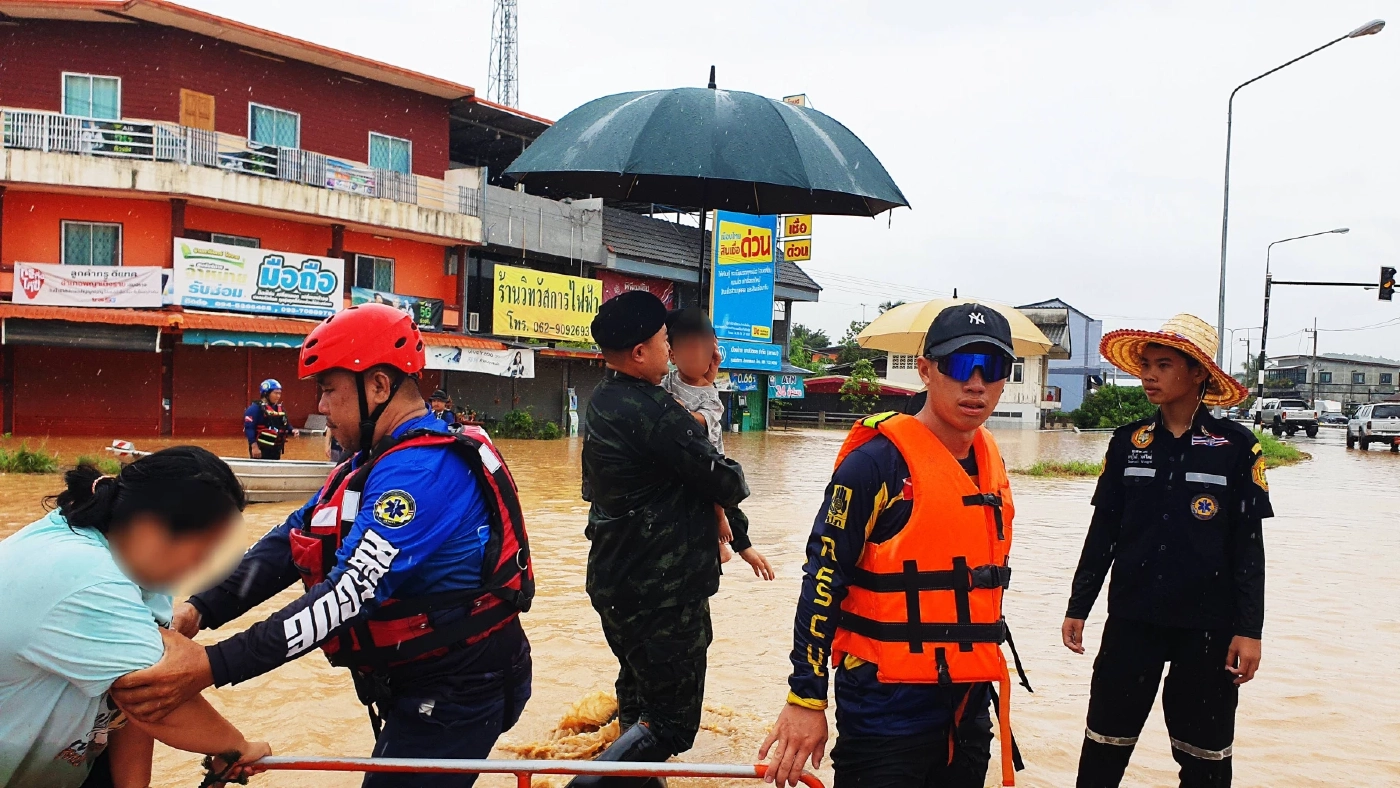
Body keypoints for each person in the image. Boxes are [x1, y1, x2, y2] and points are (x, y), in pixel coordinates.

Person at [109, 303, 535, 788]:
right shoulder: (368, 463)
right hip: (415, 674)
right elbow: (291, 542)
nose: (322, 407)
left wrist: (210, 666)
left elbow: (346, 595)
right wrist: (199, 611)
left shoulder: (419, 474)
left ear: (378, 386)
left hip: (461, 683)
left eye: (329, 390)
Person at [761, 303, 1030, 788]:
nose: (975, 384)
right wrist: (806, 698)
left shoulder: (991, 460)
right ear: (925, 370)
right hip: (886, 709)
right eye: (958, 365)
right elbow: (822, 580)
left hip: (968, 705)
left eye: (991, 368)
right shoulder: (875, 466)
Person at [1063, 315, 1268, 788]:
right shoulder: (1128, 443)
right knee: (1102, 750)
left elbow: (1248, 550)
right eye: (1146, 366)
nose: (1148, 376)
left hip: (1207, 628)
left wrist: (1249, 631)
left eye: (1163, 365)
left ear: (1198, 372)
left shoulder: (1236, 448)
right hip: (1132, 619)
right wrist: (1079, 605)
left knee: (1205, 760)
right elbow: (1103, 532)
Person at [0, 449, 269, 788]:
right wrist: (237, 746)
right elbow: (159, 701)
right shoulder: (86, 575)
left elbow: (133, 703)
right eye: (201, 551)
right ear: (151, 527)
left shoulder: (138, 571)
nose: (202, 566)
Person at [574, 291, 750, 787]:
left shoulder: (605, 400)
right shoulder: (656, 413)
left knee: (638, 703)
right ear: (638, 354)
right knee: (671, 723)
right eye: (662, 343)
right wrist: (699, 426)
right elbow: (728, 482)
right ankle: (581, 785)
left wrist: (692, 409)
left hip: (614, 583)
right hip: (663, 594)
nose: (670, 352)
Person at [660, 307, 775, 581]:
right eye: (686, 347)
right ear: (671, 352)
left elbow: (704, 426)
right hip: (685, 474)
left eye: (702, 346)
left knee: (713, 484)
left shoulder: (710, 393)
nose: (695, 353)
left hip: (708, 454)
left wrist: (680, 413)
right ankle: (721, 540)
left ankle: (721, 527)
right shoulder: (665, 382)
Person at [244, 379, 296, 460]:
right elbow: (249, 429)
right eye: (275, 393)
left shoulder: (280, 409)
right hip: (261, 449)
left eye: (279, 393)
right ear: (266, 393)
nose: (278, 396)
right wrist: (254, 447)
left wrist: (292, 430)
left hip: (275, 449)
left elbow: (285, 424)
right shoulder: (254, 409)